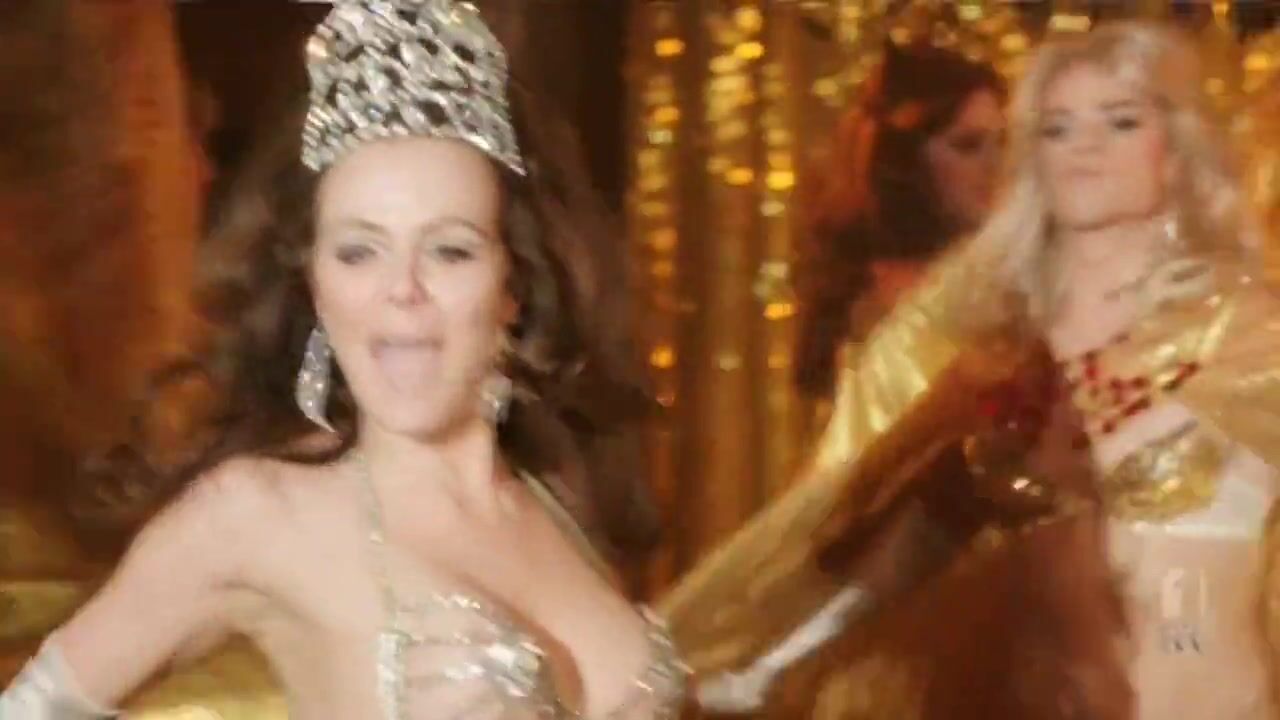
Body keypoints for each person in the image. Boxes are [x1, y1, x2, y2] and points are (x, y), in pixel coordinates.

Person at [0, 1, 687, 718]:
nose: (402, 290)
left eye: (449, 251)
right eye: (359, 251)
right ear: (315, 287)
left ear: (512, 284)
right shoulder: (257, 510)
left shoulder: (556, 498)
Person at [669, 20, 1280, 719]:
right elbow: (872, 485)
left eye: (1119, 124)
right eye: (1058, 130)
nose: (1085, 149)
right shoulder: (961, 313)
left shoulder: (1226, 318)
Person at [695, 40, 1012, 716]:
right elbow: (877, 473)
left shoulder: (985, 286)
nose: (995, 166)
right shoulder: (907, 304)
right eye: (968, 146)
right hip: (907, 605)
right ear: (907, 161)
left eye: (1002, 143)